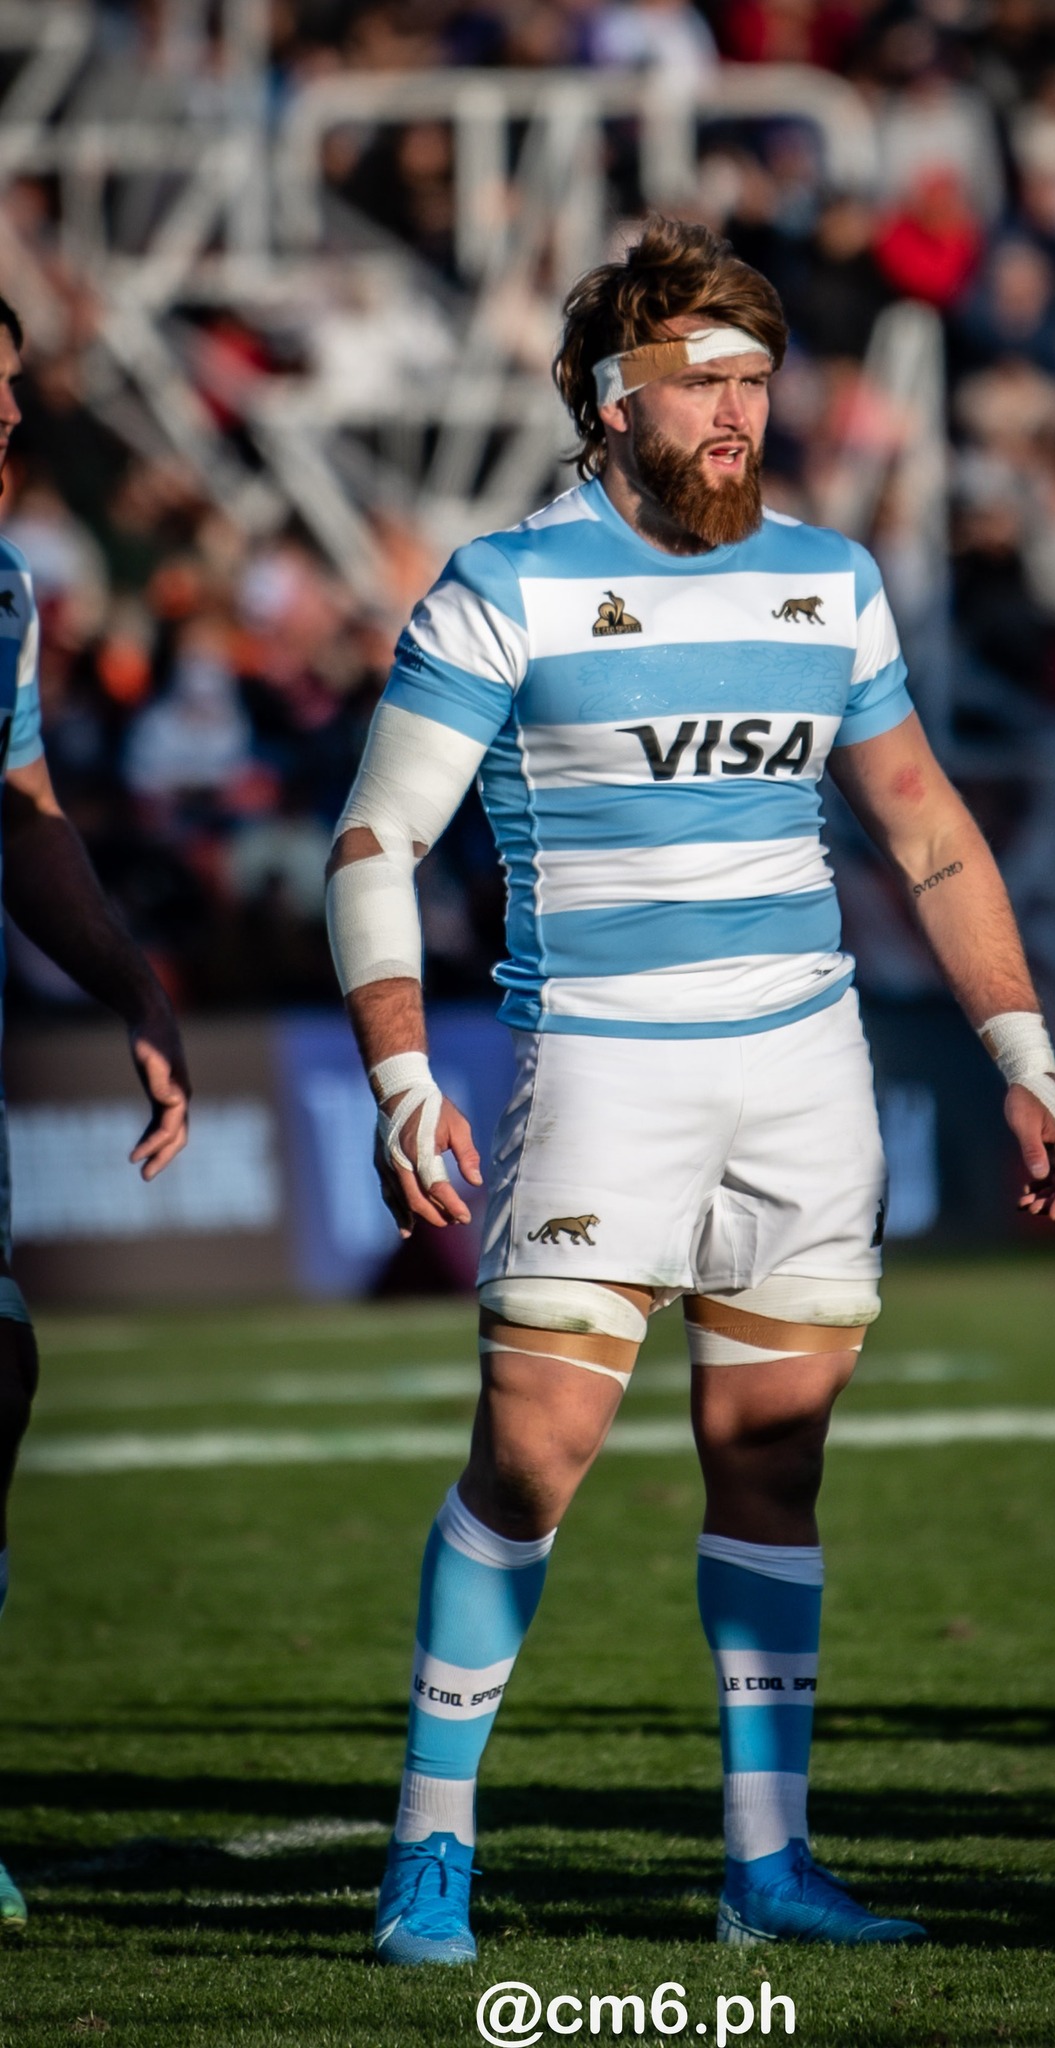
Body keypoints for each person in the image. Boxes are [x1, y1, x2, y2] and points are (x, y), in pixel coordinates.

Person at [325, 217, 1055, 1966]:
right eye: (699, 386)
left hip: (808, 1072)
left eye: (755, 381)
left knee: (774, 1461)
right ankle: (429, 1847)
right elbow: (376, 843)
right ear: (610, 405)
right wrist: (394, 1069)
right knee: (535, 1458)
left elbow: (926, 834)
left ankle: (770, 1867)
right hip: (602, 1065)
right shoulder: (501, 584)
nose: (737, 415)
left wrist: (1023, 1056)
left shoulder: (828, 576)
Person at [0, 297, 192, 1934]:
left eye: (10, 401)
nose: (5, 431)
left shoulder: (3, 595)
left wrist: (131, 986)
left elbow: (26, 808)